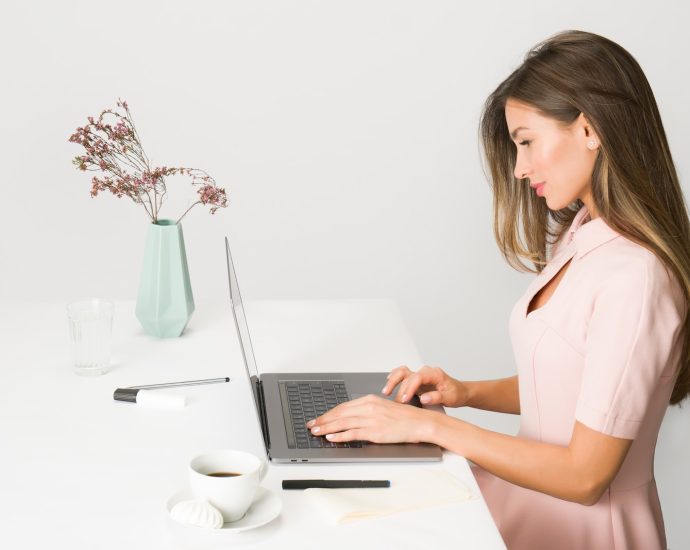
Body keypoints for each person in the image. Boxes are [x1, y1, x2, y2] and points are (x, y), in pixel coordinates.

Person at [306, 30, 690, 550]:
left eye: (526, 141)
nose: (519, 168)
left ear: (590, 129)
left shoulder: (636, 277)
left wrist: (434, 429)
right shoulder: (583, 238)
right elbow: (568, 380)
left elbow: (584, 476)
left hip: (590, 530)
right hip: (528, 502)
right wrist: (466, 393)